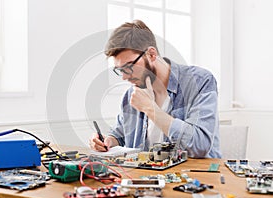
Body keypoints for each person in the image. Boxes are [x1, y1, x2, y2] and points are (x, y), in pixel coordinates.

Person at [89, 20, 221, 158]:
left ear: (151, 54)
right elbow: (120, 135)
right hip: (146, 177)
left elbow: (200, 145)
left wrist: (150, 109)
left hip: (197, 176)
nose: (124, 77)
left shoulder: (199, 81)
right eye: (120, 70)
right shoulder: (132, 95)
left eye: (129, 67)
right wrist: (107, 141)